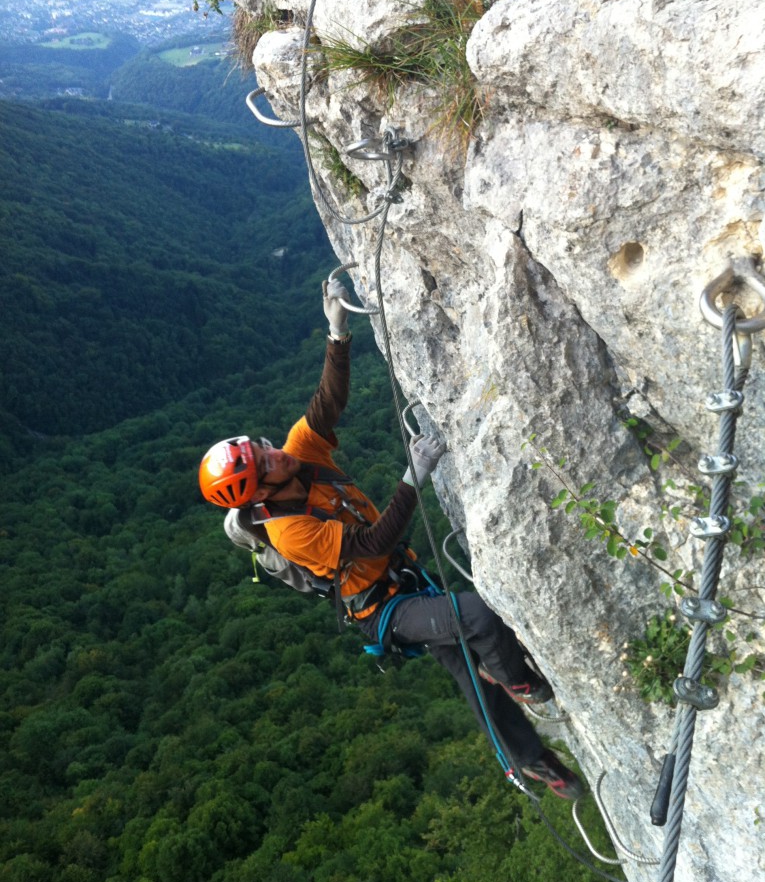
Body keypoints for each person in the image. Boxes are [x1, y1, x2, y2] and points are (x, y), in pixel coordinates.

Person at [198, 279, 584, 800]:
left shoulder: (299, 455)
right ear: (258, 493)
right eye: (265, 464)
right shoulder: (289, 532)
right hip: (383, 610)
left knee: (469, 667)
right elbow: (374, 541)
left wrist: (337, 334)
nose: (275, 455)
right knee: (476, 618)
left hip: (403, 579)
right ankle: (525, 686)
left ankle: (533, 761)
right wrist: (412, 476)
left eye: (264, 450)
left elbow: (327, 403)